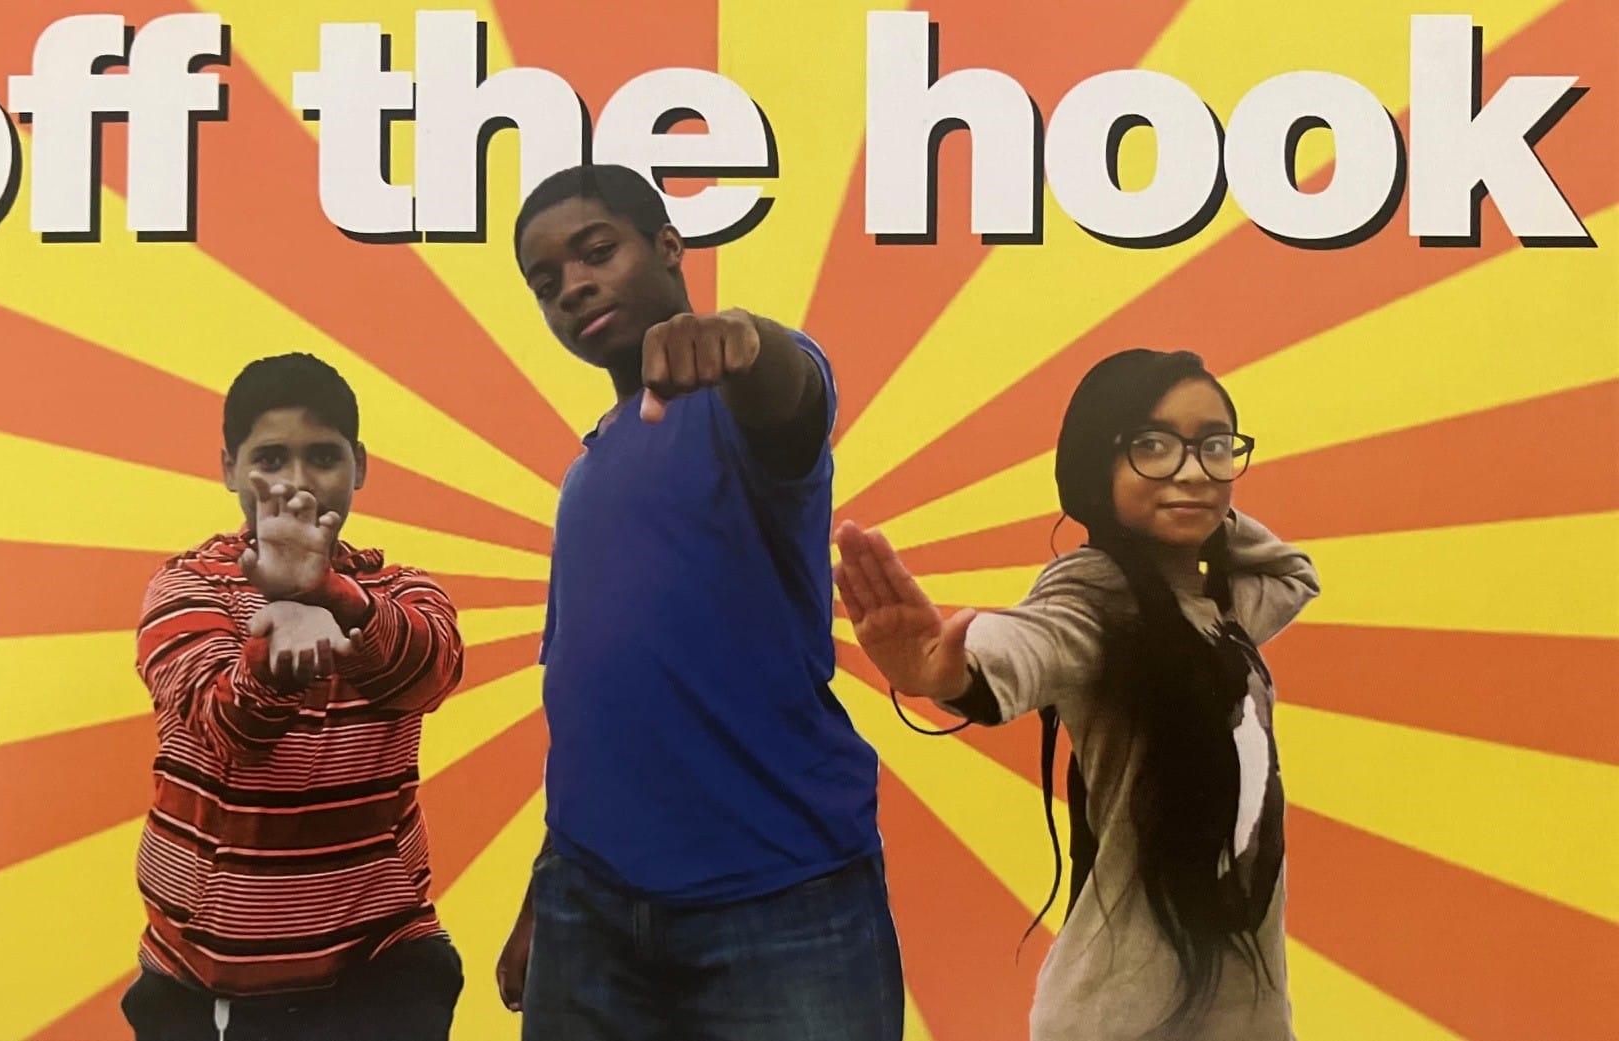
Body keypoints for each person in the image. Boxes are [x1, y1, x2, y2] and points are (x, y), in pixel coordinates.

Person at [495, 164, 904, 1041]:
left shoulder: (732, 404)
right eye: (546, 281)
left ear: (670, 247)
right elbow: (592, 715)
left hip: (780, 905)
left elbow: (794, 395)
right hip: (589, 909)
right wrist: (547, 884)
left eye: (596, 251)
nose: (573, 286)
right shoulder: (585, 476)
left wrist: (747, 342)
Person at [835, 348, 1318, 1040]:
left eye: (1215, 445)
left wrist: (1203, 505)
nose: (1192, 468)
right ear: (1099, 462)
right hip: (1124, 1016)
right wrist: (953, 674)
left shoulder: (1219, 607)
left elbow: (1294, 573)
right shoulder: (1094, 593)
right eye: (1152, 445)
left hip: (1248, 1017)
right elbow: (1032, 641)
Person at [121, 353, 467, 1041]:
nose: (297, 484)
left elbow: (431, 671)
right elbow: (228, 722)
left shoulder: (400, 593)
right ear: (228, 468)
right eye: (271, 458)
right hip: (198, 989)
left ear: (360, 465)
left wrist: (329, 594)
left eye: (323, 457)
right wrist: (273, 659)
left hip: (379, 973)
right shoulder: (185, 589)